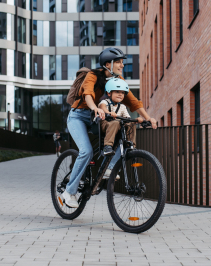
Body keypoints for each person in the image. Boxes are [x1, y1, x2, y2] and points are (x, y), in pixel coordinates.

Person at [60, 48, 157, 208]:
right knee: (86, 151)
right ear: (108, 64)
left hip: (98, 117)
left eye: (122, 62)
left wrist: (148, 118)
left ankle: (108, 168)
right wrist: (95, 108)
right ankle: (69, 192)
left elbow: (133, 101)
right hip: (79, 115)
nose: (122, 65)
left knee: (121, 134)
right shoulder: (93, 75)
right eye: (118, 62)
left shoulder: (118, 79)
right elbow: (88, 94)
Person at [98, 78, 143, 157]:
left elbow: (127, 118)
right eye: (117, 91)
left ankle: (131, 145)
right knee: (115, 122)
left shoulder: (122, 106)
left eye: (122, 93)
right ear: (109, 93)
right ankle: (107, 147)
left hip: (117, 125)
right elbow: (102, 107)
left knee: (130, 124)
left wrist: (136, 120)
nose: (120, 94)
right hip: (104, 124)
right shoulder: (105, 102)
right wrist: (109, 113)